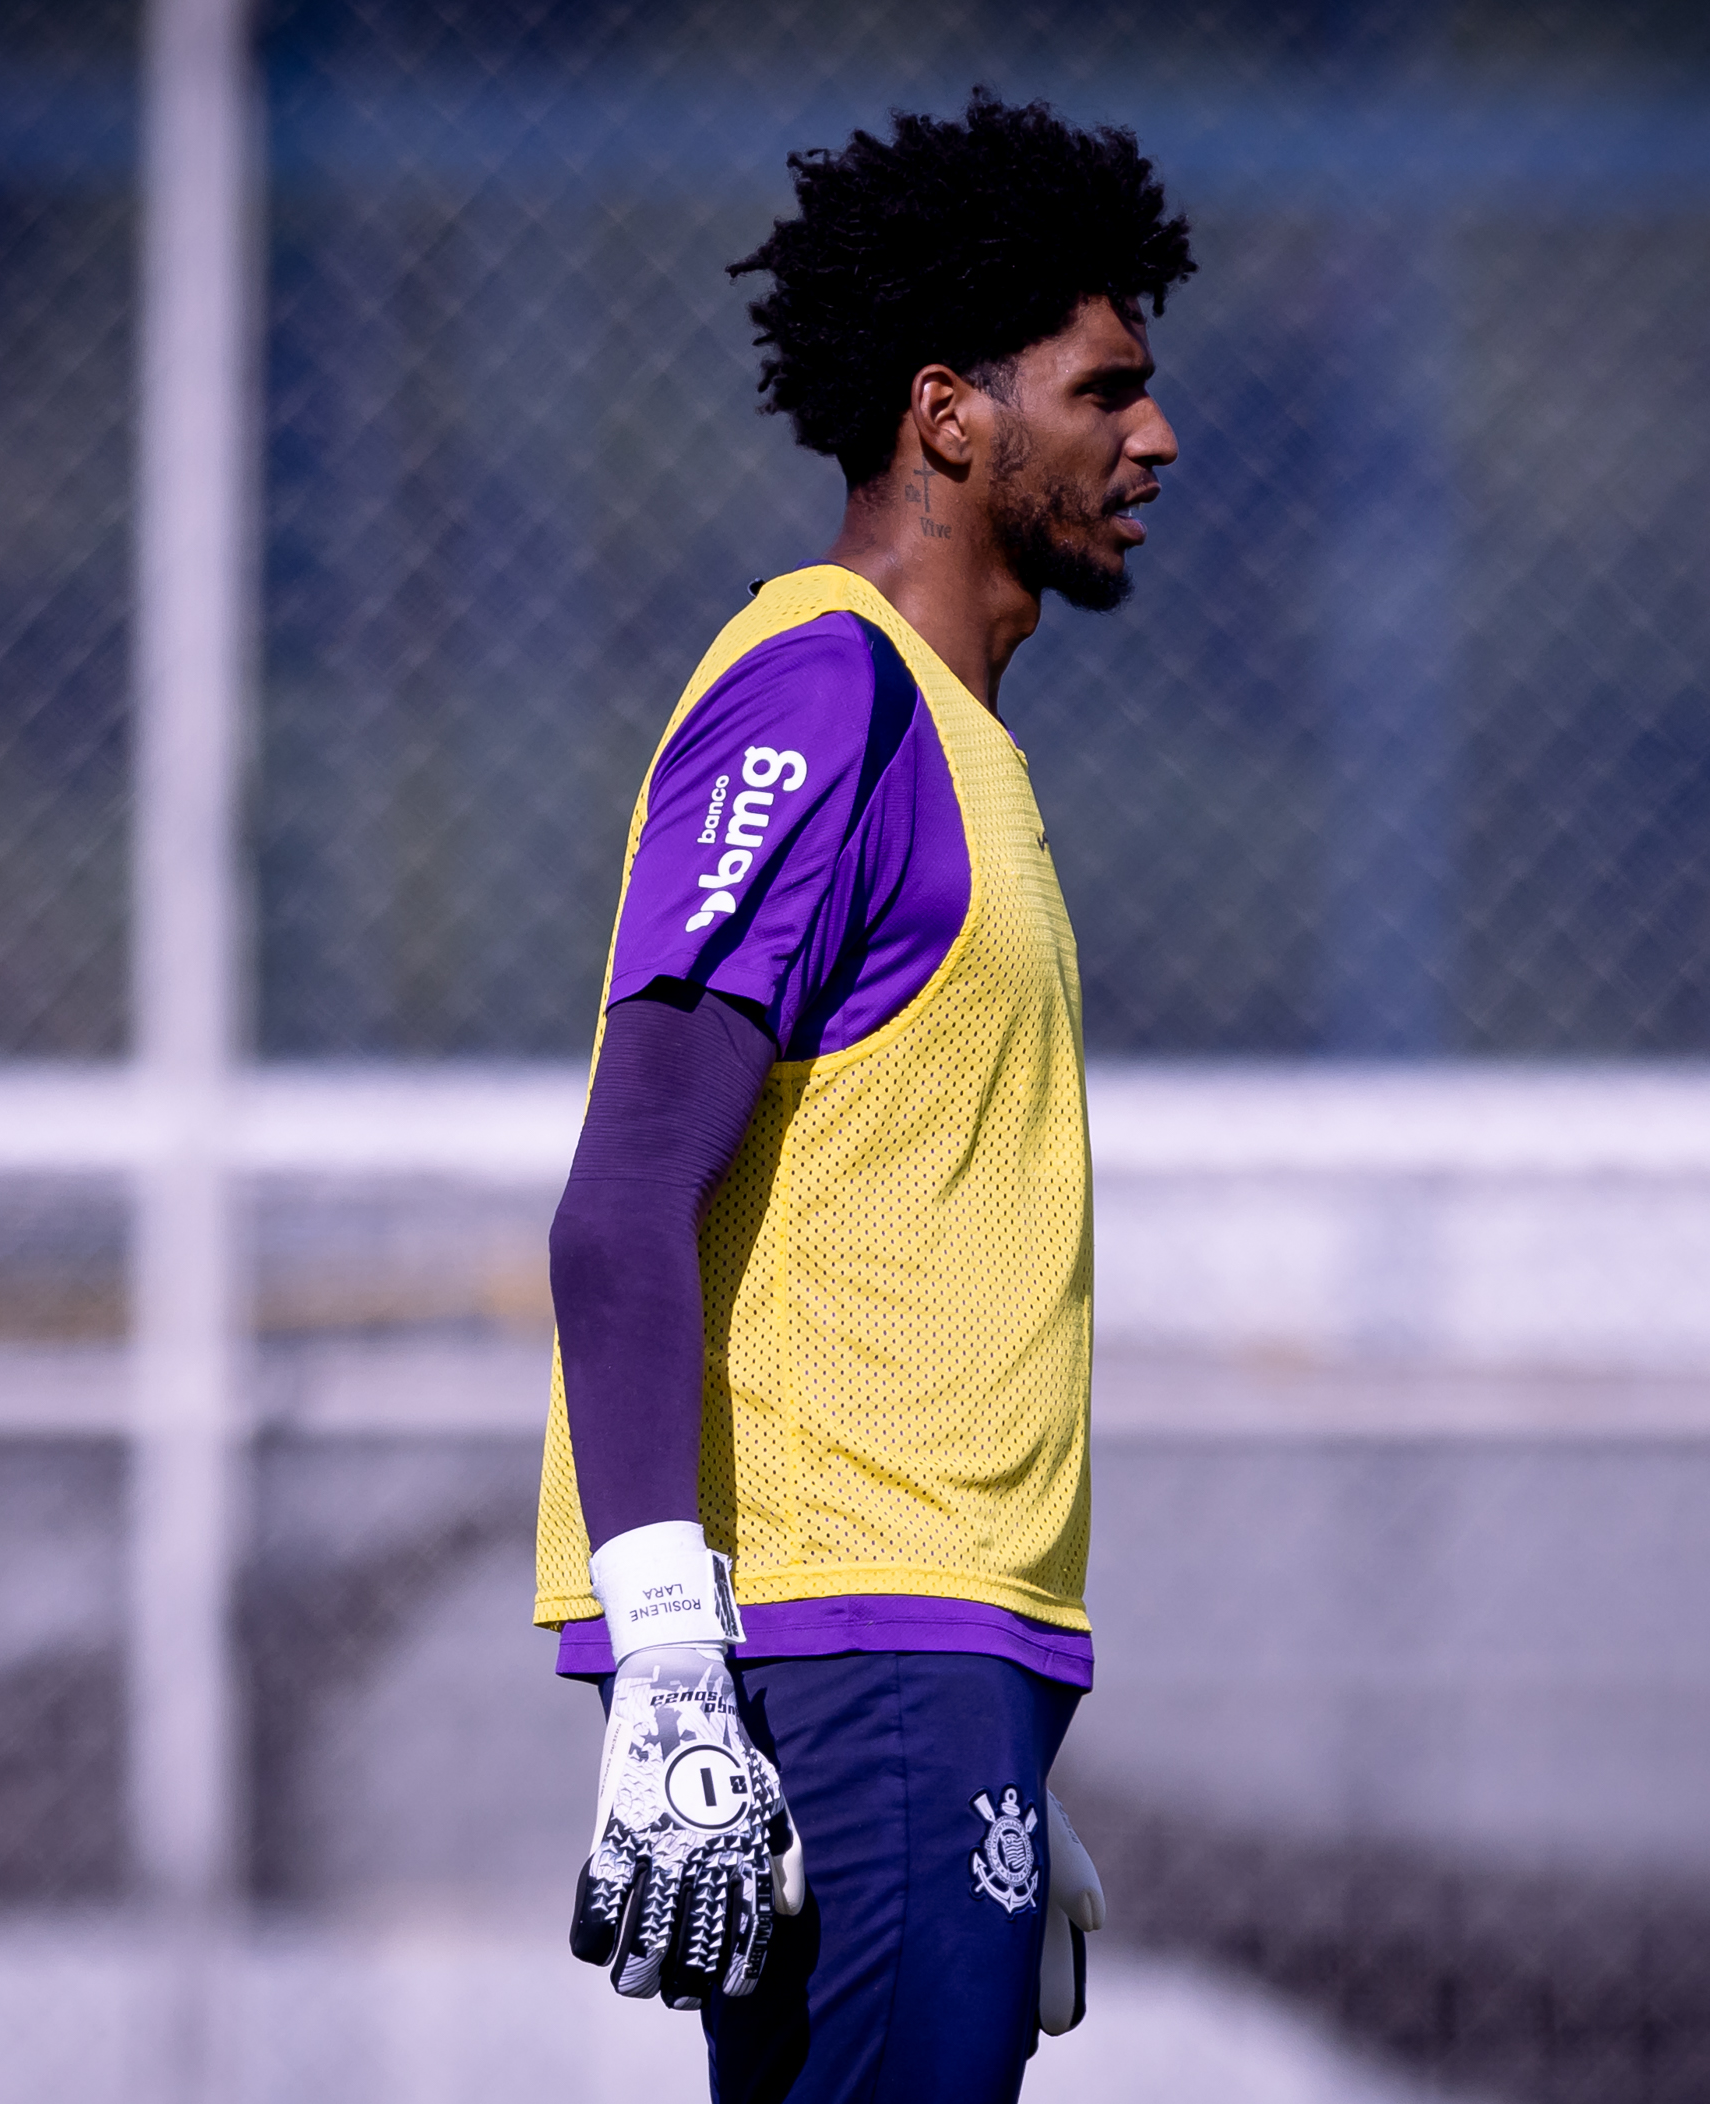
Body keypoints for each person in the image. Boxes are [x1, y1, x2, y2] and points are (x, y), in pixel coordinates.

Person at [531, 87, 1193, 2104]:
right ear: (947, 413)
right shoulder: (828, 690)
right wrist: (669, 1653)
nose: (1154, 438)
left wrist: (1005, 1731)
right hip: (859, 1650)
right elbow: (627, 1188)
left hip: (932, 1671)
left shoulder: (965, 746)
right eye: (1108, 389)